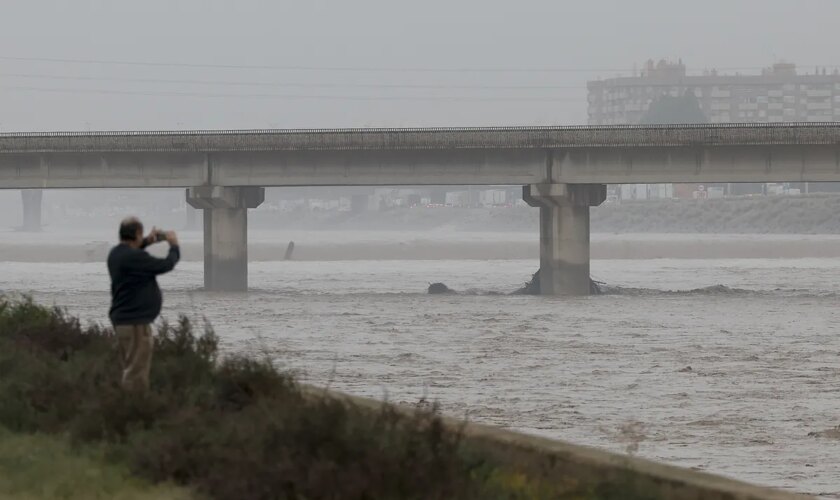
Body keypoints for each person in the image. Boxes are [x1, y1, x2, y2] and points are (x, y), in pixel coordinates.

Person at [107, 217, 180, 391]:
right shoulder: (135, 258)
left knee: (129, 367)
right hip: (136, 324)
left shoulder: (116, 254)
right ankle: (136, 412)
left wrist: (147, 241)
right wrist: (174, 246)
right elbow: (166, 265)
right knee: (136, 375)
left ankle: (124, 409)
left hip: (122, 321)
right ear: (137, 233)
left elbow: (132, 252)